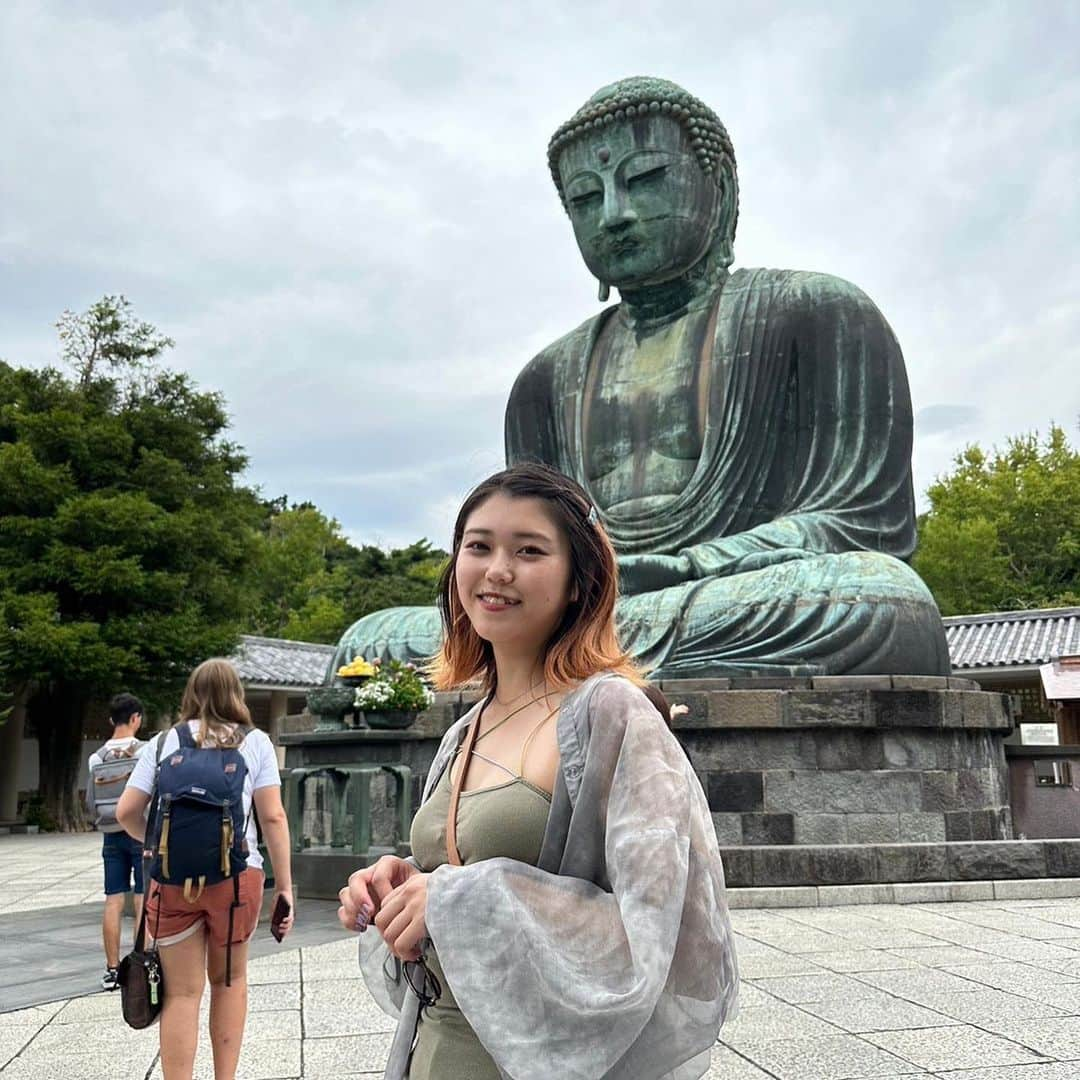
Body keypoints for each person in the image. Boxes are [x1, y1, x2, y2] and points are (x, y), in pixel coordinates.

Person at [330, 75, 950, 680]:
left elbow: (862, 523)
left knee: (883, 602)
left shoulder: (816, 312)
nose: (614, 216)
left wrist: (692, 565)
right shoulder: (545, 380)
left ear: (719, 186)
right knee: (369, 644)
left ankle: (564, 664)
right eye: (585, 199)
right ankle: (570, 656)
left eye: (646, 180)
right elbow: (530, 546)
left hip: (735, 594)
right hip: (580, 611)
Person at [338, 463, 738, 1080]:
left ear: (579, 581)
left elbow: (676, 935)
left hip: (542, 1060)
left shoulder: (611, 714)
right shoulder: (463, 730)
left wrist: (452, 896)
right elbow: (453, 880)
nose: (497, 570)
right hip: (435, 1048)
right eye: (479, 547)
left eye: (529, 551)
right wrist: (403, 882)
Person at [117, 659, 295, 1080]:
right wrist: (285, 886)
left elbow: (126, 811)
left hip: (172, 883)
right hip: (236, 882)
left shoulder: (161, 744)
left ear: (190, 694)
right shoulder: (256, 743)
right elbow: (273, 817)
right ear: (237, 694)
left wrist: (158, 844)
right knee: (228, 982)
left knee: (181, 993)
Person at [86, 692, 147, 992]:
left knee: (113, 899)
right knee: (141, 898)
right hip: (139, 831)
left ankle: (111, 970)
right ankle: (138, 964)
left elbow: (90, 800)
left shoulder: (96, 758)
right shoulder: (145, 752)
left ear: (112, 720)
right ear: (136, 718)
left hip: (110, 833)